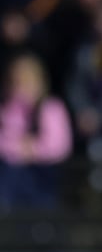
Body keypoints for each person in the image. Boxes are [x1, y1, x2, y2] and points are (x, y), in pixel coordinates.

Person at [0, 51, 72, 211]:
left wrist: (31, 149)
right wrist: (18, 149)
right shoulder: (6, 109)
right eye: (14, 82)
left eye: (26, 81)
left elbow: (59, 147)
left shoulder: (51, 108)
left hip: (41, 175)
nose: (20, 87)